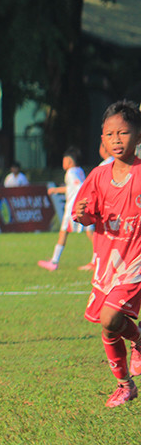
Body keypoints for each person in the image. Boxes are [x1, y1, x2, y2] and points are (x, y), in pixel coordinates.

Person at [72, 100, 141, 408]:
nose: (116, 139)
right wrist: (83, 214)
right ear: (101, 139)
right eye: (110, 134)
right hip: (107, 263)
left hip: (136, 262)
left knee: (110, 317)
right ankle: (124, 386)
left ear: (138, 136)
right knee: (107, 325)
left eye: (123, 133)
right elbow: (85, 215)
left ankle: (138, 341)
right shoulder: (98, 176)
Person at [38, 147, 94, 272]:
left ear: (69, 161)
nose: (63, 163)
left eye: (64, 160)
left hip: (73, 208)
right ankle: (97, 259)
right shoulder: (79, 170)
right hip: (82, 206)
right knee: (90, 232)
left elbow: (79, 186)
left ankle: (54, 262)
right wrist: (56, 190)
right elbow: (72, 188)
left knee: (64, 232)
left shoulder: (70, 173)